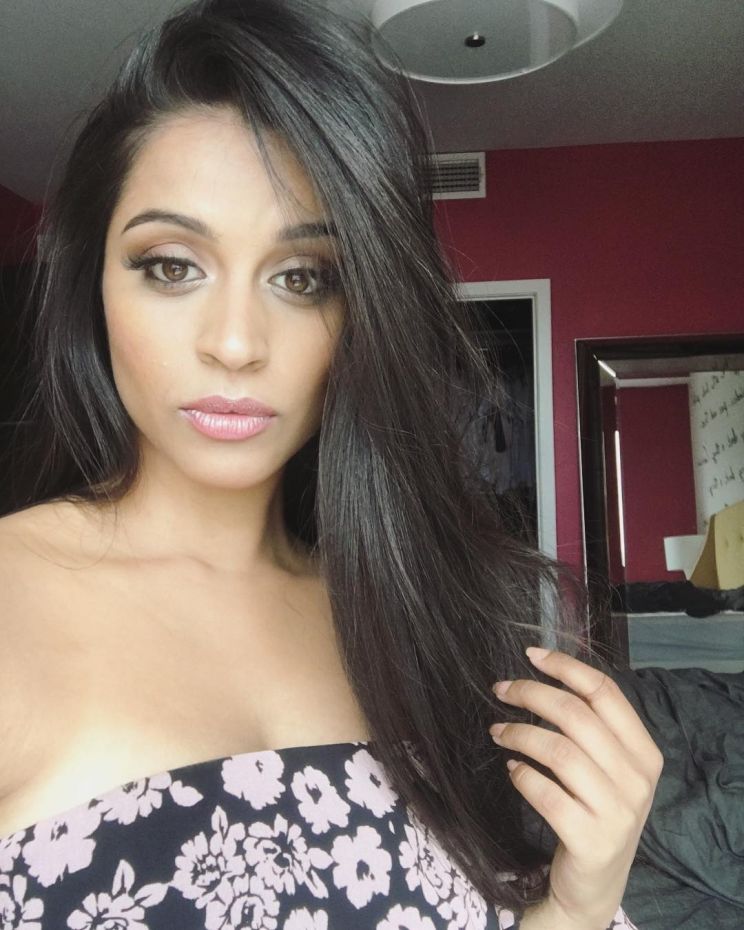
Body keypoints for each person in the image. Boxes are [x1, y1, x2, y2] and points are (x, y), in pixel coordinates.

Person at [0, 0, 663, 927]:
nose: (236, 343)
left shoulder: (414, 613)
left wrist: (581, 902)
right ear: (94, 287)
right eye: (172, 265)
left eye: (303, 278)